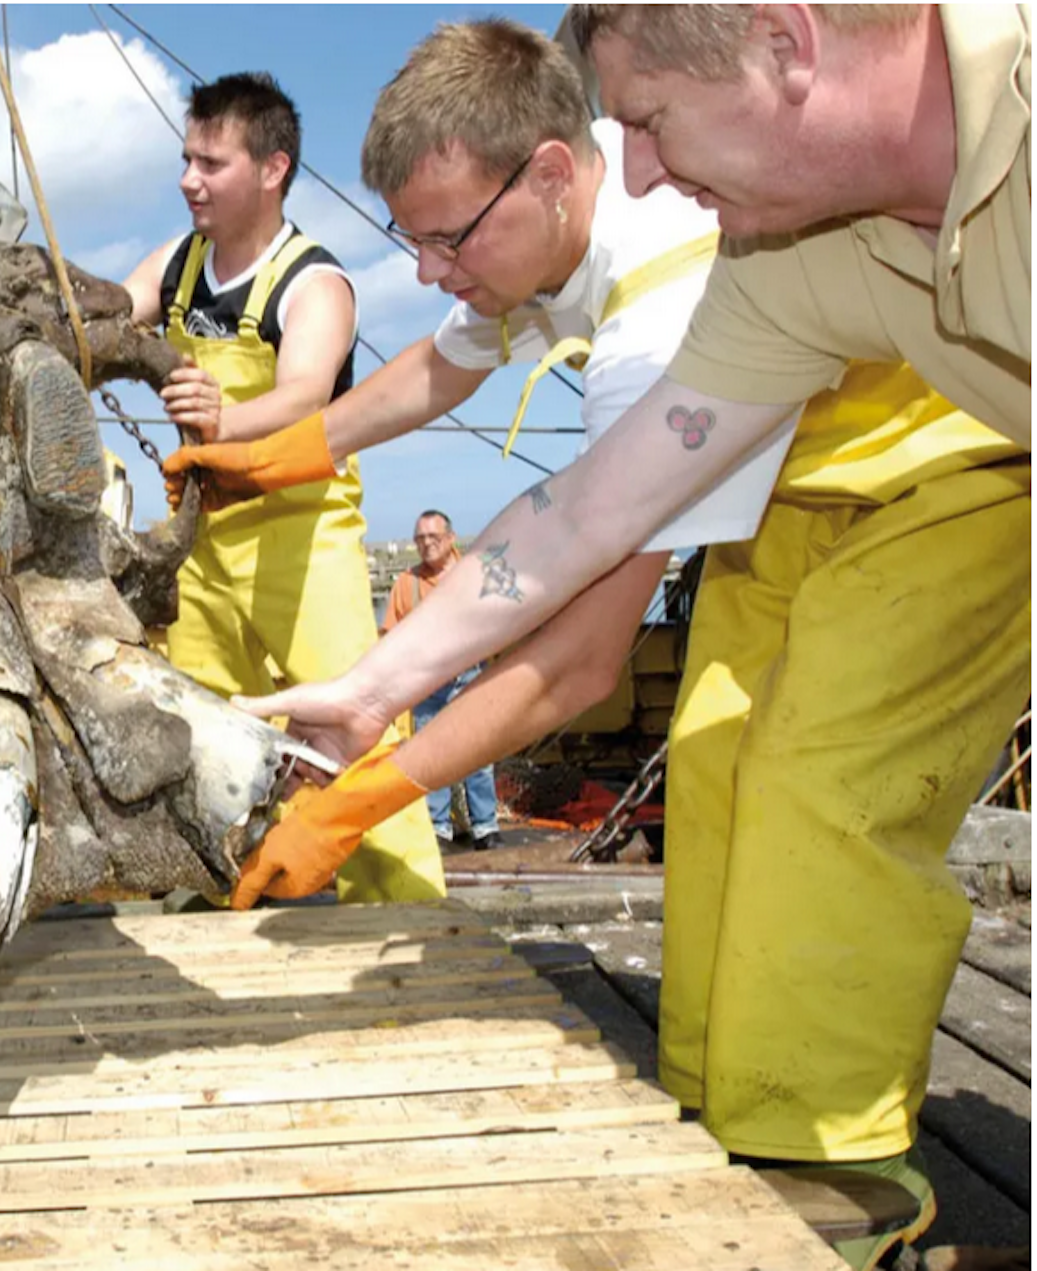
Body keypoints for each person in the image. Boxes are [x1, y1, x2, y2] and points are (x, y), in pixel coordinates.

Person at [168, 16, 1030, 1266]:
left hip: (950, 461)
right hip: (781, 489)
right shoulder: (699, 258)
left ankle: (832, 1165)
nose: (647, 168)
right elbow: (554, 499)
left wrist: (361, 798)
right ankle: (725, 1101)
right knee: (722, 767)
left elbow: (579, 658)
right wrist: (357, 651)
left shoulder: (672, 289)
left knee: (821, 780)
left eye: (445, 238)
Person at [121, 71, 443, 905]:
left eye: (212, 162)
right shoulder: (178, 265)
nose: (189, 178)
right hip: (206, 548)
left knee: (360, 735)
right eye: (186, 159)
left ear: (273, 169)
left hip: (306, 543)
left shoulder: (314, 281)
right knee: (195, 738)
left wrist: (224, 419)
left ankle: (410, 916)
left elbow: (305, 392)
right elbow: (110, 317)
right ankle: (207, 908)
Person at [383, 511, 497, 853]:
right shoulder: (406, 584)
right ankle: (438, 830)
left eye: (433, 537)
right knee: (433, 758)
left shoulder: (473, 575)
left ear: (450, 538)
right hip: (427, 685)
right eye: (420, 539)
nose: (427, 544)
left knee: (478, 756)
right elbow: (390, 635)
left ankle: (486, 827)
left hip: (470, 678)